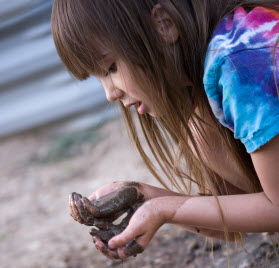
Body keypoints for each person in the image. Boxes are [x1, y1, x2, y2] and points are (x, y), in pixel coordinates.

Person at [51, 0, 279, 260]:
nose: (109, 94)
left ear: (163, 24)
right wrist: (144, 199)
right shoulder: (204, 91)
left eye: (111, 68)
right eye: (98, 77)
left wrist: (166, 209)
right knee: (199, 130)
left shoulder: (242, 62)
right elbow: (236, 220)